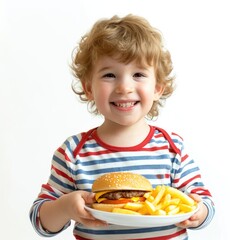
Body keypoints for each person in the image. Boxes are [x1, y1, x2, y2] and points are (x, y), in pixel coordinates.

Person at [29, 14, 215, 240]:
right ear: (89, 88)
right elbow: (40, 220)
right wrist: (65, 208)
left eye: (138, 74)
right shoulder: (73, 153)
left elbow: (203, 201)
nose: (124, 87)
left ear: (157, 87)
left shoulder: (171, 148)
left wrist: (199, 212)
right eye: (109, 75)